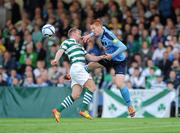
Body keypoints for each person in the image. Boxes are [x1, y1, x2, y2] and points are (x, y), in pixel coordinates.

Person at [82, 19, 136, 117]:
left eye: (94, 29)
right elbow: (95, 32)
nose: (93, 31)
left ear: (99, 26)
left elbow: (123, 47)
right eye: (91, 29)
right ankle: (73, 74)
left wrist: (112, 55)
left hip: (119, 61)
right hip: (109, 58)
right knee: (90, 65)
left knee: (119, 84)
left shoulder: (109, 35)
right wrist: (88, 35)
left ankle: (130, 106)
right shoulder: (101, 30)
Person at [51, 27, 105, 123]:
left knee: (75, 95)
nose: (80, 35)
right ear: (73, 33)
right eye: (79, 33)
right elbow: (60, 51)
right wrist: (56, 59)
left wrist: (101, 57)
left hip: (77, 69)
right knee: (92, 87)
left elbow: (90, 57)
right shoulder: (67, 42)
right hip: (77, 68)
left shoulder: (80, 46)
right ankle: (83, 110)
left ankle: (58, 110)